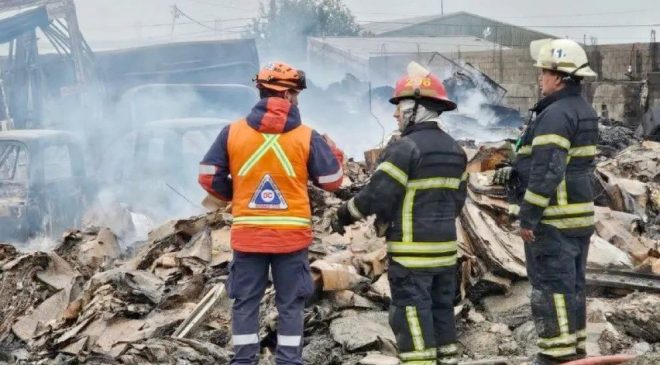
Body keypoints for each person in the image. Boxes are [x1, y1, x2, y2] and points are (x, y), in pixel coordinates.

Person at [199, 62, 344, 365]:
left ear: (261, 92)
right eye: (297, 94)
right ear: (288, 95)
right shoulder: (307, 136)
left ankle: (244, 360)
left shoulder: (233, 132)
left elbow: (208, 175)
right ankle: (289, 361)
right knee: (291, 303)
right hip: (290, 240)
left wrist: (237, 196)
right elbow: (332, 182)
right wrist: (335, 153)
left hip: (249, 236)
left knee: (245, 302)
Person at [332, 61, 467, 365]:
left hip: (411, 254)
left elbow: (377, 196)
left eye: (400, 106)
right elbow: (459, 201)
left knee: (412, 316)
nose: (396, 114)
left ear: (418, 108)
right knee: (441, 312)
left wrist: (344, 214)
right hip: (445, 252)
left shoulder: (405, 148)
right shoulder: (456, 151)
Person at [493, 39, 599, 365]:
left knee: (550, 290)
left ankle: (554, 356)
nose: (539, 78)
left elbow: (548, 170)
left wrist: (528, 217)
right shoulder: (583, 111)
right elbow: (562, 164)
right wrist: (515, 169)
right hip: (578, 218)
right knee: (572, 288)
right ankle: (575, 350)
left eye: (543, 72)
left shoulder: (555, 115)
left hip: (553, 221)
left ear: (559, 76)